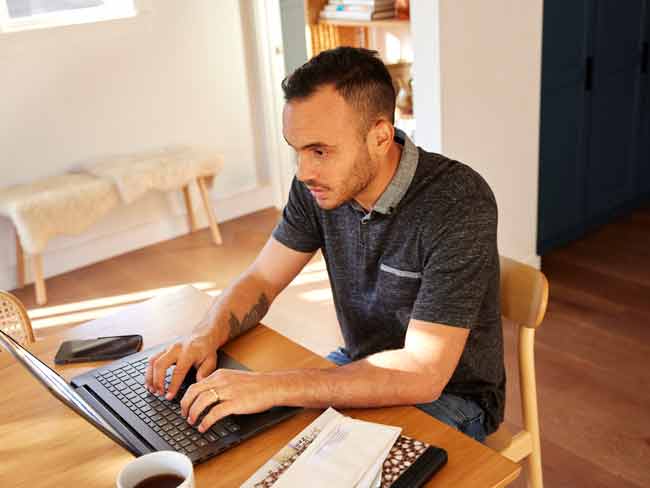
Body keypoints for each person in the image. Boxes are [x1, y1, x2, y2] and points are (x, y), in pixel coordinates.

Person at [145, 47, 505, 443]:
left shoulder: (458, 204)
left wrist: (272, 386)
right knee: (242, 442)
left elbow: (423, 373)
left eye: (319, 150)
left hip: (454, 397)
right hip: (360, 366)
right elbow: (263, 278)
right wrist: (203, 336)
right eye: (296, 150)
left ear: (380, 137)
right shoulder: (320, 187)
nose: (304, 172)